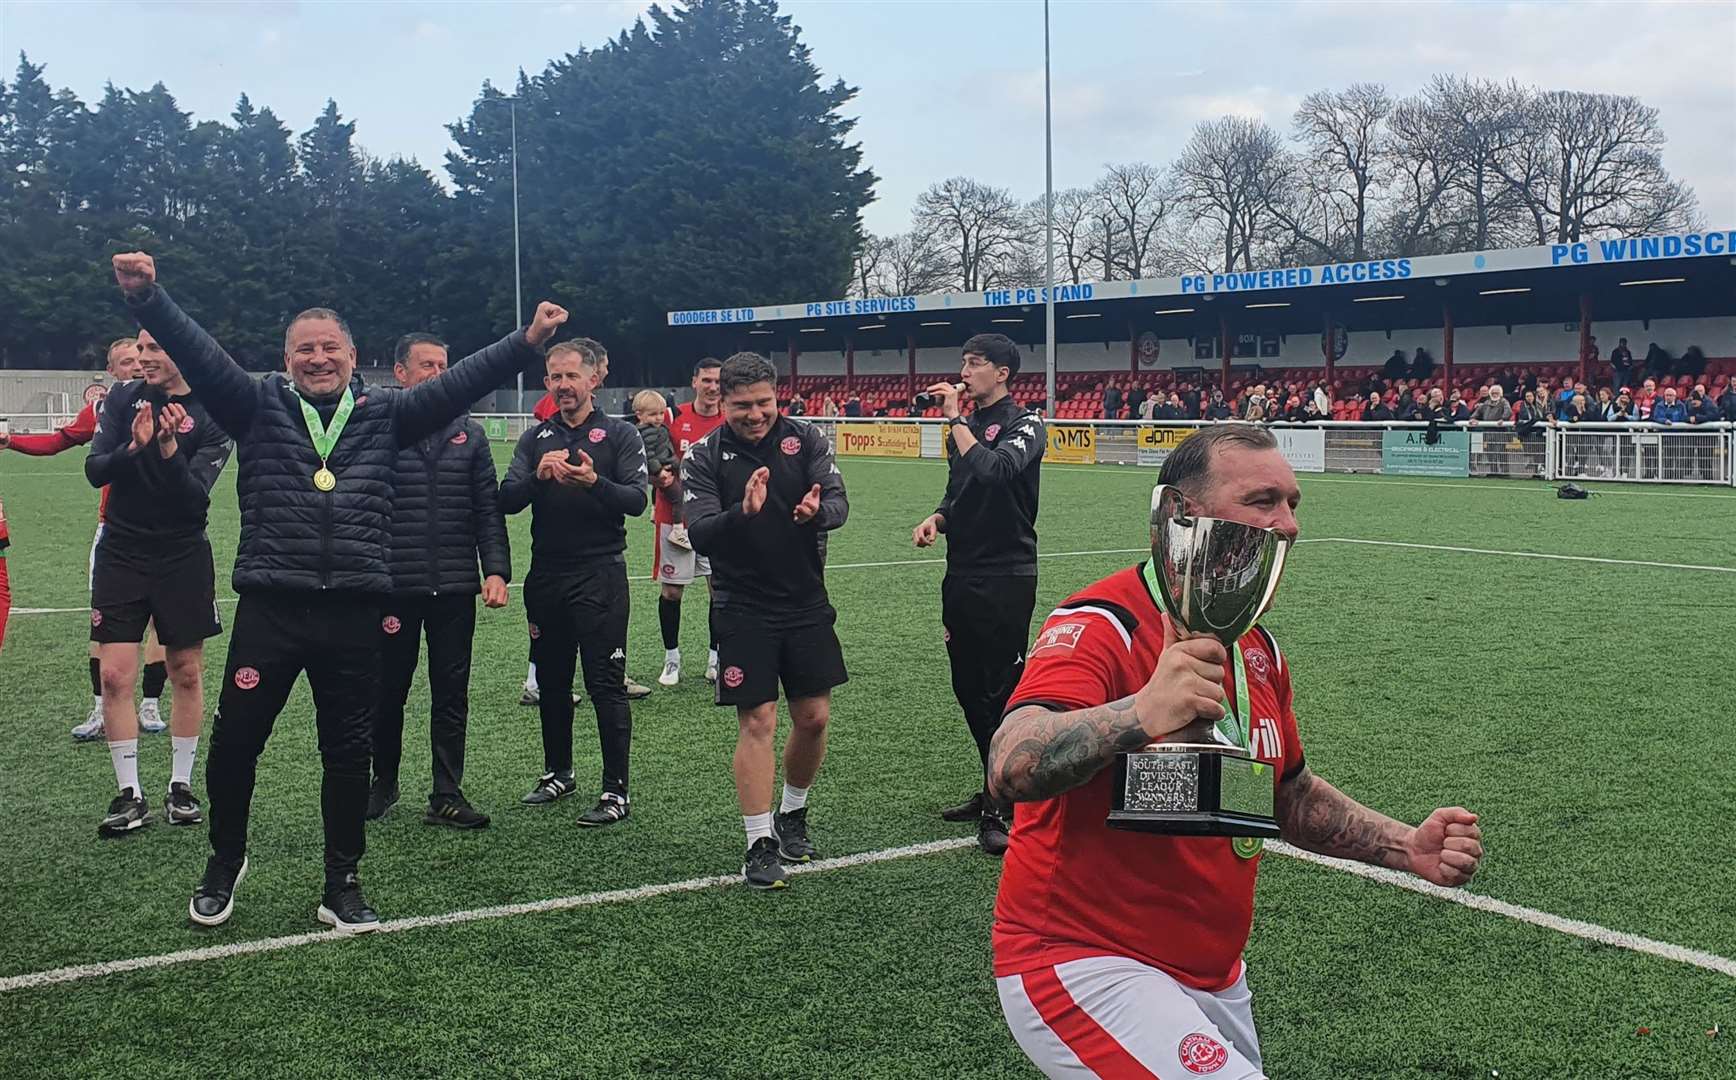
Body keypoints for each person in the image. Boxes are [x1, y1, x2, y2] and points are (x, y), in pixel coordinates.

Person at [987, 425, 1484, 1078]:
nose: (1288, 525)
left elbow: (1286, 794)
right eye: (1263, 500)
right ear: (1180, 514)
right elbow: (1011, 762)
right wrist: (1142, 713)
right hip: (1081, 958)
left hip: (1212, 975)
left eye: (1293, 504)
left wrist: (1405, 845)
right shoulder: (1105, 622)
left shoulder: (1259, 649)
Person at [112, 250, 561, 933]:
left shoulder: (388, 415)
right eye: (304, 349)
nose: (317, 358)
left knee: (348, 753)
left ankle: (341, 882)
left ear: (354, 357)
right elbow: (199, 355)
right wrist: (148, 299)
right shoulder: (256, 404)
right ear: (286, 357)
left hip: (355, 609)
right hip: (273, 605)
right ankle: (223, 862)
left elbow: (460, 381)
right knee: (236, 747)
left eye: (330, 348)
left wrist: (526, 342)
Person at [682, 352, 849, 889]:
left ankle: (792, 813)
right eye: (742, 406)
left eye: (763, 403)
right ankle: (759, 842)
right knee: (758, 721)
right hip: (741, 604)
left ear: (778, 396)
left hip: (804, 599)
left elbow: (840, 504)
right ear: (721, 402)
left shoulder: (809, 439)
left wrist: (814, 513)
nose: (755, 415)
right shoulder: (704, 455)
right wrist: (744, 513)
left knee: (815, 716)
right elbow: (700, 529)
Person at [85, 328, 233, 836]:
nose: (141, 358)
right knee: (114, 676)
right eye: (140, 350)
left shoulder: (214, 411)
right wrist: (134, 447)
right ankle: (129, 794)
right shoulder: (123, 398)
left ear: (182, 352)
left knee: (185, 670)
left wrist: (168, 447)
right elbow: (94, 469)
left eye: (153, 349)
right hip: (122, 552)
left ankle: (180, 785)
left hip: (182, 554)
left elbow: (194, 499)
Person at [368, 333, 512, 830]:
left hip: (453, 588)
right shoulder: (380, 429)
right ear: (400, 373)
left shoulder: (468, 433)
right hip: (393, 587)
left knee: (452, 693)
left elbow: (486, 510)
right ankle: (382, 784)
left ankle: (446, 793)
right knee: (387, 692)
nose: (438, 373)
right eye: (426, 364)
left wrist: (495, 569)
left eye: (444, 364)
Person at [500, 340, 647, 825]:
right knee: (553, 683)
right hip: (546, 576)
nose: (563, 385)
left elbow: (635, 501)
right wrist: (538, 478)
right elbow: (506, 499)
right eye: (554, 377)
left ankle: (615, 792)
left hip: (599, 573)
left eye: (571, 376)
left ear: (593, 379)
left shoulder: (620, 436)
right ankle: (558, 772)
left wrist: (593, 483)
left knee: (604, 684)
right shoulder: (535, 438)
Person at [911, 334, 1045, 856]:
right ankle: (995, 785)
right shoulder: (962, 431)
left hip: (1009, 573)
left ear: (1003, 373)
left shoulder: (1027, 423)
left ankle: (1001, 804)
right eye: (963, 362)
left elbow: (995, 472)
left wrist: (955, 420)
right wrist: (938, 519)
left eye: (975, 363)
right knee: (967, 686)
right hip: (962, 570)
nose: (964, 371)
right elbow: (961, 491)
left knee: (1004, 688)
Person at [3, 338, 172, 740]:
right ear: (111, 372)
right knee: (105, 622)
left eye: (141, 358)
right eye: (127, 361)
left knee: (161, 622)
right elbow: (60, 440)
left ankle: (150, 703)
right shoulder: (103, 408)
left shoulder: (173, 400)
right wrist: (12, 442)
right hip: (115, 530)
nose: (136, 365)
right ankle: (100, 708)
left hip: (169, 530)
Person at [651, 358, 726, 687]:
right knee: (672, 593)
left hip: (717, 519)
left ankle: (716, 659)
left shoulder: (730, 419)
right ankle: (671, 660)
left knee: (720, 591)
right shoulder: (673, 416)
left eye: (718, 382)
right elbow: (650, 457)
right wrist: (660, 480)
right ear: (694, 381)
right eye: (706, 380)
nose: (712, 387)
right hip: (674, 517)